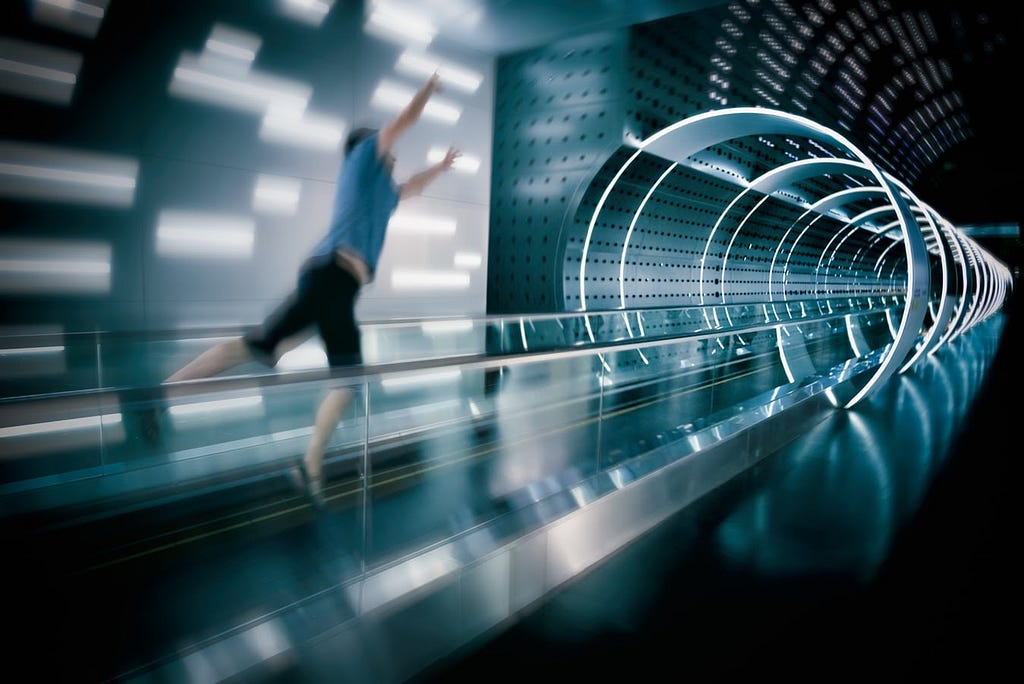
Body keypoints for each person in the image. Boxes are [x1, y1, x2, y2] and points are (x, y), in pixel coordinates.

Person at [143, 72, 460, 507]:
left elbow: (413, 188)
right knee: (348, 378)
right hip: (332, 278)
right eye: (391, 153)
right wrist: (429, 88)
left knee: (257, 347)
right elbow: (403, 119)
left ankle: (160, 395)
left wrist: (440, 168)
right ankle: (309, 465)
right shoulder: (363, 159)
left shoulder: (383, 193)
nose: (395, 160)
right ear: (371, 148)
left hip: (331, 282)